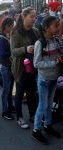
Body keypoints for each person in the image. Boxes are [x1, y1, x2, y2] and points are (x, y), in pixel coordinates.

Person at [32, 16, 62, 145]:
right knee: (42, 105)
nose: (58, 28)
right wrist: (54, 62)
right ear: (46, 28)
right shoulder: (40, 43)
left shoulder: (57, 41)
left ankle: (47, 125)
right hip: (44, 79)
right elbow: (36, 63)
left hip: (54, 78)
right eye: (56, 25)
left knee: (49, 104)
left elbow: (59, 54)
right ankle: (36, 129)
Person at [10, 7, 39, 129]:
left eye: (35, 17)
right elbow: (13, 51)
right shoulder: (16, 32)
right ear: (23, 17)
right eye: (31, 16)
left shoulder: (35, 31)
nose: (34, 19)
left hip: (33, 68)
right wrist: (25, 49)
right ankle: (20, 117)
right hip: (20, 68)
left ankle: (33, 115)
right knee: (20, 94)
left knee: (32, 93)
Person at [0, 17, 15, 120]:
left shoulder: (8, 36)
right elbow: (2, 53)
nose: (12, 28)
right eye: (12, 26)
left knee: (10, 88)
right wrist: (13, 51)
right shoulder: (1, 38)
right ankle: (5, 111)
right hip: (6, 67)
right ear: (7, 26)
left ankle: (10, 106)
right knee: (6, 90)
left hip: (10, 66)